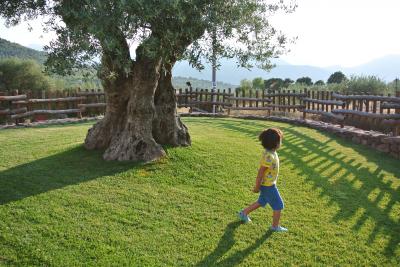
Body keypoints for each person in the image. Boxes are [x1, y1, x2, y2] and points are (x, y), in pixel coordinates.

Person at [238, 128, 287, 232]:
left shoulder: (271, 152)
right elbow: (260, 172)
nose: (281, 142)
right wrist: (257, 186)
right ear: (275, 143)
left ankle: (244, 213)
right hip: (268, 186)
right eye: (280, 141)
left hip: (268, 184)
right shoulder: (269, 156)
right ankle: (275, 227)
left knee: (261, 201)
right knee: (278, 205)